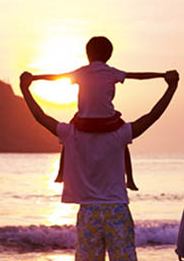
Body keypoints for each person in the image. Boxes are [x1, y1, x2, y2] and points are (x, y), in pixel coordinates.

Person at [19, 68, 180, 261]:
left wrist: (26, 88)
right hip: (117, 210)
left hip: (90, 213)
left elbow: (39, 117)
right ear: (110, 89)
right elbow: (152, 116)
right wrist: (170, 87)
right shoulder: (119, 133)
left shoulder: (71, 133)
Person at [27, 36, 169, 191]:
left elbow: (56, 77)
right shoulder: (112, 72)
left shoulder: (81, 72)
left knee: (67, 139)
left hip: (84, 120)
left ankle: (61, 173)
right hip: (108, 120)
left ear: (88, 54)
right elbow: (139, 76)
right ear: (109, 55)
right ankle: (130, 179)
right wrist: (162, 76)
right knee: (124, 142)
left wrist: (34, 78)